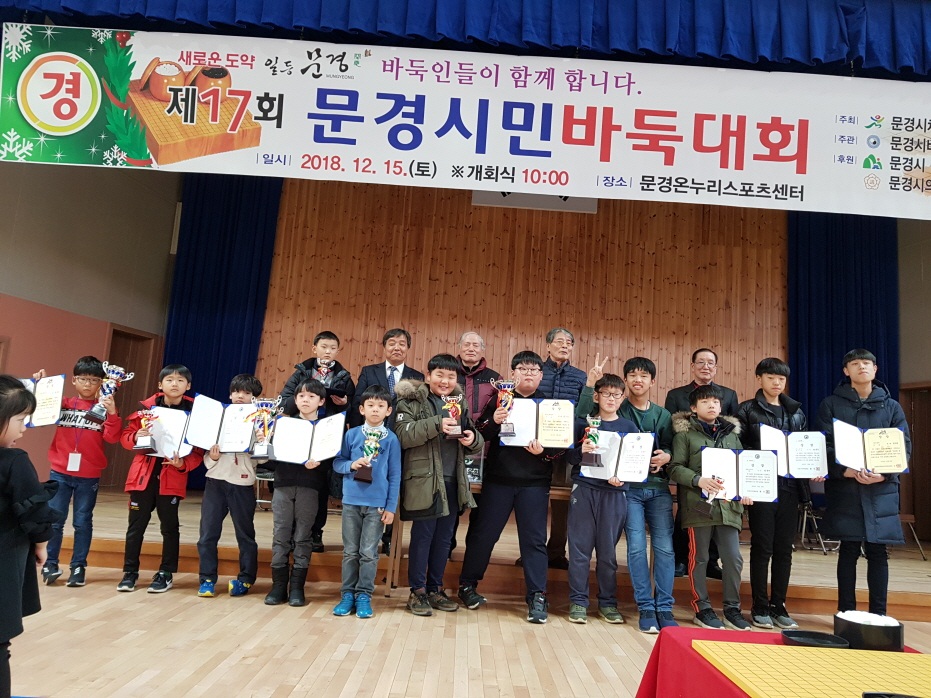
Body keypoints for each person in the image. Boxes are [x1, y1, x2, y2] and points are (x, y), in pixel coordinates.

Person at [458, 351, 558, 624]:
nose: (528, 374)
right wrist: (495, 420)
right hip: (498, 480)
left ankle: (537, 596)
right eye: (523, 369)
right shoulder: (500, 399)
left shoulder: (550, 405)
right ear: (513, 373)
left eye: (534, 370)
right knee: (483, 535)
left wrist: (544, 452)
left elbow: (559, 447)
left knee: (534, 541)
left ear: (541, 375)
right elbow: (480, 432)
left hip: (535, 483)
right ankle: (467, 585)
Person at [816, 349, 911, 617]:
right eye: (855, 364)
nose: (862, 367)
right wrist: (844, 471)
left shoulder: (891, 406)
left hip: (881, 490)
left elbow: (903, 446)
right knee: (848, 550)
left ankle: (879, 615)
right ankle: (845, 612)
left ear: (875, 369)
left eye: (867, 363)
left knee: (878, 551)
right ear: (846, 371)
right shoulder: (831, 404)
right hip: (846, 488)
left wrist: (884, 474)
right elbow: (824, 444)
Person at [394, 354, 483, 617]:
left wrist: (472, 439)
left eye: (451, 377)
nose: (445, 381)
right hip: (423, 480)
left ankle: (435, 588)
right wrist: (436, 423)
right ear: (428, 375)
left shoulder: (459, 402)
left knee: (444, 539)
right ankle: (417, 591)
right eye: (440, 375)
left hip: (453, 479)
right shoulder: (410, 400)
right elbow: (403, 435)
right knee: (423, 537)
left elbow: (473, 436)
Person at [667, 384, 753, 631]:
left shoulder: (732, 435)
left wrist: (746, 490)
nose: (712, 405)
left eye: (715, 401)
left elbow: (742, 468)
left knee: (733, 559)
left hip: (728, 507)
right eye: (705, 401)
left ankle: (732, 609)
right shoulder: (684, 435)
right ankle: (702, 608)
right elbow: (674, 468)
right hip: (698, 507)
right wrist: (698, 480)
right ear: (694, 408)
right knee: (700, 558)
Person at [736, 358, 811, 629]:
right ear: (759, 379)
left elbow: (805, 448)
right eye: (771, 378)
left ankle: (779, 605)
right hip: (761, 486)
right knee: (762, 547)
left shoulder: (797, 412)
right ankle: (759, 606)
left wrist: (813, 467)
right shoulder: (747, 409)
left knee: (784, 549)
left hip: (790, 486)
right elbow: (738, 447)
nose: (776, 383)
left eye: (781, 379)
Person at [0, 375, 61, 698]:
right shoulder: (15, 462)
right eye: (20, 420)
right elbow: (34, 512)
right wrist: (42, 543)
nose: (24, 429)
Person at [118, 365, 204, 594]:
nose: (174, 384)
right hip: (143, 477)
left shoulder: (195, 414)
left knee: (170, 527)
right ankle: (130, 572)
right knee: (135, 527)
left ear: (188, 386)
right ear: (160, 384)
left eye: (180, 380)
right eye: (169, 379)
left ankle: (166, 573)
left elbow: (198, 451)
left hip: (171, 476)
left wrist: (182, 464)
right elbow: (125, 438)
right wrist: (136, 436)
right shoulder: (146, 409)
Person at [36, 357, 121, 588]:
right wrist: (43, 386)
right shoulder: (63, 403)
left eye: (93, 380)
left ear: (101, 383)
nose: (88, 384)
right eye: (83, 379)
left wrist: (113, 413)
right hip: (60, 471)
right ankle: (50, 564)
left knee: (82, 521)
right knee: (55, 519)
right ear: (74, 380)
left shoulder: (103, 407)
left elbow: (113, 438)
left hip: (89, 474)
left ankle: (78, 566)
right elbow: (39, 411)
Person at [565, 373, 636, 625]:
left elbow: (633, 462)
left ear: (622, 398)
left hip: (614, 494)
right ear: (596, 396)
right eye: (606, 393)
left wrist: (623, 479)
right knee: (579, 550)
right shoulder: (583, 424)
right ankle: (578, 601)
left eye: (616, 395)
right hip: (584, 489)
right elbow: (568, 458)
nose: (611, 398)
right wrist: (580, 451)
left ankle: (607, 603)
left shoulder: (629, 428)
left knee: (607, 553)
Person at [665, 348, 738, 579]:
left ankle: (711, 562)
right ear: (693, 366)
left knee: (718, 511)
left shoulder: (728, 394)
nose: (706, 366)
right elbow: (669, 430)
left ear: (716, 367)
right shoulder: (676, 395)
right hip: (689, 460)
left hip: (721, 464)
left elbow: (732, 428)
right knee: (686, 513)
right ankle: (681, 558)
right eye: (701, 362)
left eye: (710, 363)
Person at [281, 331, 356, 554]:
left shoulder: (343, 376)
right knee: (297, 482)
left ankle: (316, 532)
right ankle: (292, 532)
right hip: (301, 433)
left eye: (332, 348)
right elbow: (284, 402)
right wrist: (306, 396)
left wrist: (343, 403)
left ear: (338, 351)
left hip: (327, 435)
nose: (327, 351)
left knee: (321, 485)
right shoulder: (301, 372)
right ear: (314, 348)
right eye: (324, 347)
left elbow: (354, 410)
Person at [349, 328, 422, 556]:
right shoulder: (369, 371)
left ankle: (389, 538)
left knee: (394, 483)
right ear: (384, 346)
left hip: (400, 441)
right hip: (369, 440)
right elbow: (357, 404)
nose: (397, 347)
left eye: (402, 343)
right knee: (368, 481)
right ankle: (363, 535)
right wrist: (359, 437)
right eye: (392, 343)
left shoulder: (416, 376)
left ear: (408, 348)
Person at [619, 357, 679, 634]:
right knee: (635, 547)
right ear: (626, 380)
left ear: (652, 381)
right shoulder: (618, 408)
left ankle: (664, 607)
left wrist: (667, 455)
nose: (638, 380)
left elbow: (671, 447)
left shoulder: (663, 415)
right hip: (628, 489)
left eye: (643, 375)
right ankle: (645, 606)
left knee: (665, 548)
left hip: (658, 489)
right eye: (632, 375)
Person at [332, 385, 401, 619]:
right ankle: (347, 595)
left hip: (377, 504)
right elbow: (337, 463)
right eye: (370, 405)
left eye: (381, 406)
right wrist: (351, 465)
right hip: (351, 501)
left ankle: (364, 595)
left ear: (388, 411)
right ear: (361, 409)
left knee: (369, 553)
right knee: (350, 552)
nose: (375, 409)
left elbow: (395, 475)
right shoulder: (351, 435)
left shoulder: (391, 439)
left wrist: (391, 507)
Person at [196, 374, 264, 599]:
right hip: (215, 481)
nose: (240, 396)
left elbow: (264, 458)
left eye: (246, 393)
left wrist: (261, 442)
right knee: (208, 534)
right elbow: (206, 450)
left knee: (245, 535)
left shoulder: (260, 420)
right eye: (236, 392)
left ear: (254, 398)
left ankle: (245, 579)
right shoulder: (218, 417)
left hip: (242, 483)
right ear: (230, 394)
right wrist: (213, 458)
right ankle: (207, 580)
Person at [263, 379, 330, 607]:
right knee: (281, 533)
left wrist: (318, 463)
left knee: (303, 535)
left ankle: (297, 588)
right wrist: (264, 444)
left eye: (311, 396)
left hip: (311, 487)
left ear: (321, 401)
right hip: (283, 484)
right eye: (301, 396)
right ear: (295, 399)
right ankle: (278, 586)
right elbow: (271, 460)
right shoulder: (282, 424)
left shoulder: (326, 428)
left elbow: (331, 461)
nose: (305, 400)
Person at [538, 328, 587, 570]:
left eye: (569, 342)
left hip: (566, 448)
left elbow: (584, 410)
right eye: (559, 341)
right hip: (535, 447)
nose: (565, 345)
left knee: (562, 502)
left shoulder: (580, 376)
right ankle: (534, 552)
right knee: (534, 499)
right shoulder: (536, 371)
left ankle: (556, 552)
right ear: (548, 346)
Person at [450, 331, 500, 556]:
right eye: (467, 344)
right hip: (451, 448)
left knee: (480, 508)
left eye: (476, 345)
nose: (471, 348)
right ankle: (446, 547)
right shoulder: (448, 374)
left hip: (483, 451)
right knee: (451, 504)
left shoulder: (495, 379)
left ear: (483, 350)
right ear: (459, 347)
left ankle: (472, 554)